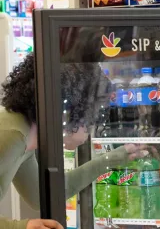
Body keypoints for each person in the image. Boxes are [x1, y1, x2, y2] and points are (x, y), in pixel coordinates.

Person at [0, 54, 149, 229]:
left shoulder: (27, 138)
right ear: (72, 110)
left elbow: (40, 196)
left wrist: (118, 156)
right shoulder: (12, 137)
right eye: (92, 114)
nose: (92, 123)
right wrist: (22, 226)